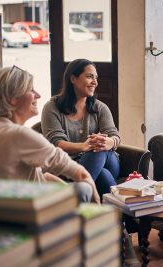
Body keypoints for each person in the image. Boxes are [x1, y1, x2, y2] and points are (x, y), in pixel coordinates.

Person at [0, 65, 100, 203]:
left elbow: (42, 177)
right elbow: (81, 174)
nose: (38, 95)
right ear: (11, 98)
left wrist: (66, 189)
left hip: (8, 210)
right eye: (30, 90)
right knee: (84, 188)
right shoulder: (19, 135)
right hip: (33, 212)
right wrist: (99, 210)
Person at [41, 59, 121, 198]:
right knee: (103, 176)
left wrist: (110, 142)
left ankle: (71, 194)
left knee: (97, 149)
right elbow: (56, 143)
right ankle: (117, 216)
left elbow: (114, 135)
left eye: (96, 78)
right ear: (73, 78)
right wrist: (84, 146)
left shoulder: (100, 108)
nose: (95, 82)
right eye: (89, 76)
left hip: (107, 160)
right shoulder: (52, 108)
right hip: (71, 164)